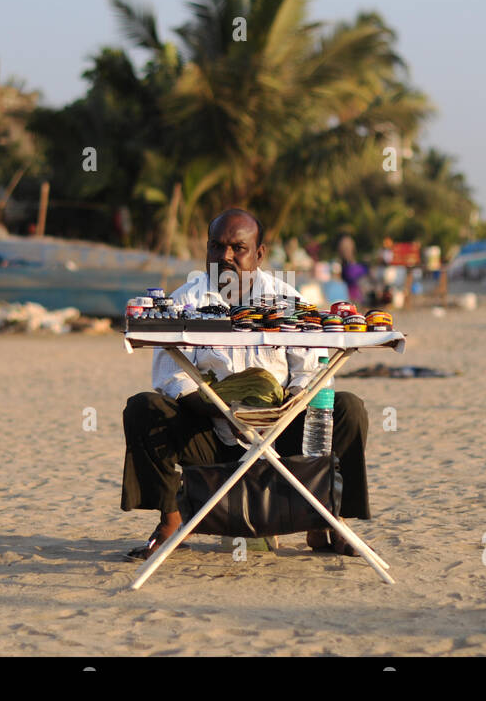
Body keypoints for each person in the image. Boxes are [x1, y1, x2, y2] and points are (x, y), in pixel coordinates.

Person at [122, 208, 371, 559]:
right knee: (144, 408)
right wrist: (225, 412)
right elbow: (170, 377)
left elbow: (310, 370)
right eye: (215, 246)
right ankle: (171, 520)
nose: (224, 256)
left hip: (279, 433)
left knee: (348, 408)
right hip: (210, 433)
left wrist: (286, 408)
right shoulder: (180, 303)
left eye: (237, 248)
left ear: (259, 253)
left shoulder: (290, 302)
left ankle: (329, 520)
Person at [337, 234, 370, 307]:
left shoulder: (360, 268)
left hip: (357, 301)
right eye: (344, 248)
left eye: (347, 247)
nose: (346, 250)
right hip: (348, 301)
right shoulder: (341, 268)